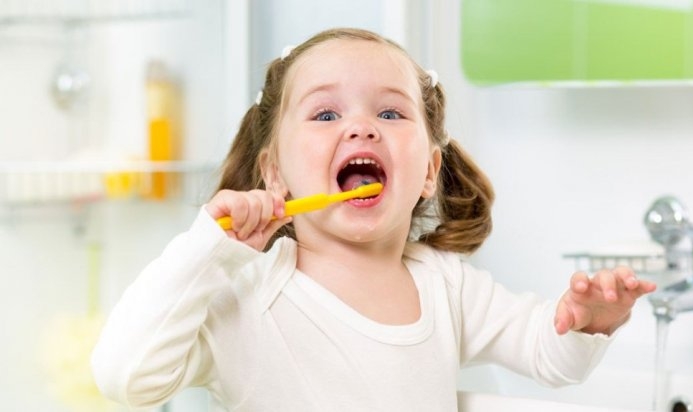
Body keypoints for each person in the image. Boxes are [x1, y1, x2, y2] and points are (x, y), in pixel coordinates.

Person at [91, 27, 656, 411]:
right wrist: (207, 250)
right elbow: (125, 376)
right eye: (325, 113)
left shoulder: (447, 284)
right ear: (275, 175)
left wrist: (587, 322)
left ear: (428, 171)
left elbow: (547, 356)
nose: (361, 127)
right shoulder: (247, 293)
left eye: (390, 111)